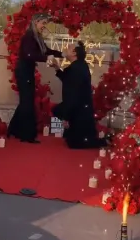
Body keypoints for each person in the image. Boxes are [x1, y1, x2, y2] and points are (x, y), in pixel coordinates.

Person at [7, 14, 62, 143]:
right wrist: (45, 58)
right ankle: (26, 135)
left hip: (27, 71)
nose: (44, 26)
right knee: (27, 102)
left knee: (25, 101)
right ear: (36, 22)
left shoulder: (36, 37)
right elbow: (29, 54)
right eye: (43, 23)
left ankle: (13, 130)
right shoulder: (29, 36)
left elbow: (46, 51)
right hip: (24, 72)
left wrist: (61, 54)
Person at [52, 41, 107, 149]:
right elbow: (67, 79)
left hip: (79, 110)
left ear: (74, 53)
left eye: (69, 48)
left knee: (76, 143)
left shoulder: (76, 69)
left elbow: (73, 95)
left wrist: (66, 117)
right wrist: (56, 67)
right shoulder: (79, 66)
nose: (65, 49)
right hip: (81, 108)